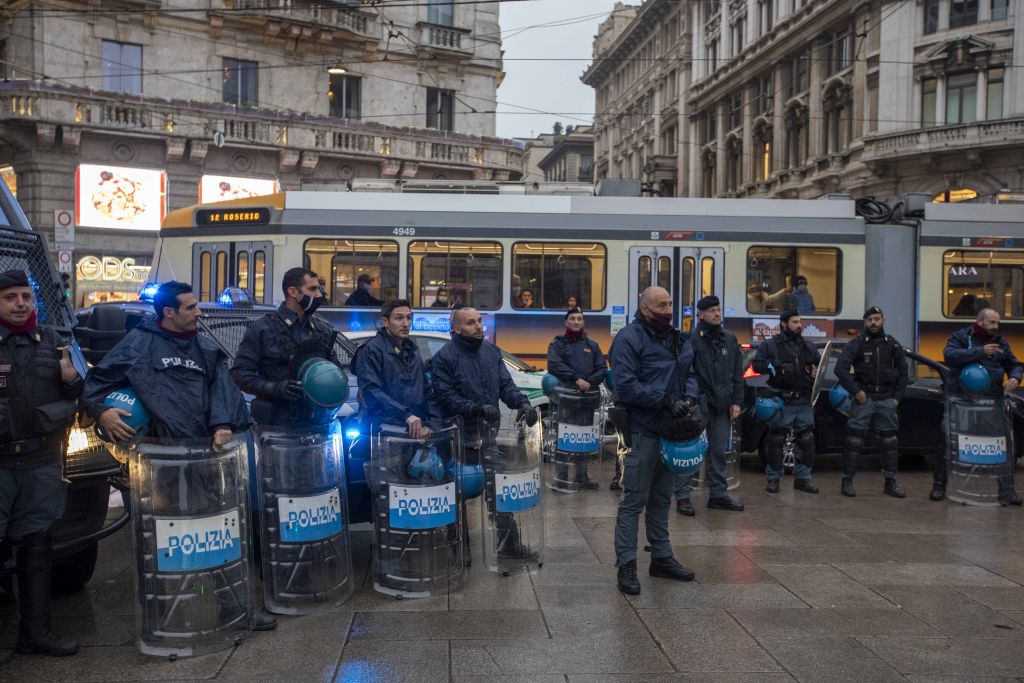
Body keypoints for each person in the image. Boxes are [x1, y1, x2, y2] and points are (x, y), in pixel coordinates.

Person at [82, 281, 276, 631]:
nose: (198, 313)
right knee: (160, 540)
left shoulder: (205, 347)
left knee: (219, 534)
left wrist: (222, 424)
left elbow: (224, 389)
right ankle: (165, 617)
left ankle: (233, 608)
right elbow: (96, 383)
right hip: (159, 461)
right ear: (168, 312)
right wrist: (102, 412)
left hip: (205, 455)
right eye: (191, 308)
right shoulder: (139, 343)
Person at [0, 270, 82, 656]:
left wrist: (71, 380)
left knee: (37, 547)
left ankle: (35, 634)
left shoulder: (55, 342)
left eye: (25, 297)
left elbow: (82, 391)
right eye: (10, 297)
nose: (20, 304)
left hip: (41, 459)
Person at [609, 286, 699, 596]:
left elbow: (689, 372)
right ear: (646, 309)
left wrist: (689, 395)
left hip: (672, 430)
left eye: (671, 303)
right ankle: (627, 565)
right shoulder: (628, 339)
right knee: (634, 500)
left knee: (662, 499)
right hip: (643, 429)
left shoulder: (677, 338)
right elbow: (625, 385)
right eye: (662, 305)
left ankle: (661, 557)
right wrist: (663, 400)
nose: (669, 310)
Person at [432, 305, 538, 558]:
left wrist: (523, 403)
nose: (478, 326)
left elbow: (506, 385)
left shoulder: (491, 352)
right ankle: (459, 547)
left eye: (479, 321)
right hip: (459, 438)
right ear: (457, 327)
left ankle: (510, 544)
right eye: (471, 322)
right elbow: (446, 396)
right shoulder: (445, 357)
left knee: (498, 489)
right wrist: (475, 409)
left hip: (487, 435)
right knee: (457, 493)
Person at [931, 308, 1023, 504]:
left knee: (1000, 446)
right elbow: (950, 356)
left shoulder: (1000, 342)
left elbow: (1014, 364)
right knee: (949, 441)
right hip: (961, 399)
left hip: (992, 399)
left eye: (998, 323)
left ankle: (1007, 492)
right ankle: (938, 486)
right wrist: (980, 352)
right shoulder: (961, 337)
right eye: (992, 323)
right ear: (980, 321)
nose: (996, 327)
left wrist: (1015, 376)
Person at [231, 267, 340, 429]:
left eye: (319, 289)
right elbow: (240, 374)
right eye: (312, 289)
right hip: (278, 429)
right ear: (292, 292)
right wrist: (274, 388)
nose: (318, 295)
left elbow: (335, 370)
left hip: (319, 426)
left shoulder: (321, 329)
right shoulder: (263, 329)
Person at [675, 295, 744, 515]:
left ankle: (718, 495)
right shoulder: (691, 339)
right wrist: (688, 400)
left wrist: (737, 402)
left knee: (719, 452)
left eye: (718, 309)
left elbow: (737, 374)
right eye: (712, 311)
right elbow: (685, 373)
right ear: (700, 314)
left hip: (723, 406)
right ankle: (683, 497)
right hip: (700, 404)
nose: (716, 313)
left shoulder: (729, 339)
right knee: (689, 451)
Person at [834, 306, 909, 498]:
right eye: (870, 320)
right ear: (864, 322)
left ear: (883, 320)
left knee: (890, 442)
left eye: (877, 319)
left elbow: (904, 372)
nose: (873, 323)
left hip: (886, 400)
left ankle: (890, 483)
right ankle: (847, 482)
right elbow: (840, 369)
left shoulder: (892, 344)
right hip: (864, 399)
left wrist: (897, 399)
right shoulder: (857, 344)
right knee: (854, 441)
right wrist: (857, 392)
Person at [751, 310, 820, 495]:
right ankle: (773, 479)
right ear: (783, 324)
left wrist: (815, 370)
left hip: (804, 400)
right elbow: (757, 364)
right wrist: (773, 367)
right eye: (794, 322)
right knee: (777, 440)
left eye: (799, 321)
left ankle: (803, 479)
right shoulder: (771, 345)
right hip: (782, 399)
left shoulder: (808, 346)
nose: (799, 325)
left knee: (807, 440)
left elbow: (819, 364)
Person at [351, 299, 433, 440]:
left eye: (409, 318)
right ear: (385, 321)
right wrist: (405, 415)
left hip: (413, 432)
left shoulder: (412, 350)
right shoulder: (372, 350)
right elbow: (372, 391)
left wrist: (430, 422)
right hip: (382, 433)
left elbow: (424, 390)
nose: (405, 324)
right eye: (399, 318)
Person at [546, 307, 606, 490]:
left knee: (583, 439)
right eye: (572, 318)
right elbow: (554, 365)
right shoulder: (557, 344)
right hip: (565, 399)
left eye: (579, 318)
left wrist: (588, 382)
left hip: (588, 400)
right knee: (564, 439)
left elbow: (602, 368)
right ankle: (561, 476)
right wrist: (576, 379)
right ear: (566, 322)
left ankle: (582, 477)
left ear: (583, 322)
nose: (576, 321)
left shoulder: (592, 345)